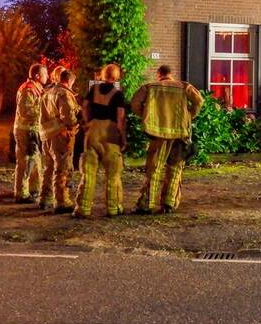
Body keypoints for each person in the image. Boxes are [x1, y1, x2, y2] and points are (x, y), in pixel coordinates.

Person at [131, 64, 204, 214]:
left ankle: (147, 204)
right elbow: (199, 101)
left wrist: (145, 116)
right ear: (172, 74)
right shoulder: (184, 87)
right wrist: (189, 116)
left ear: (159, 74)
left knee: (155, 168)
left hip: (157, 134)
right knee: (175, 168)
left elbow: (135, 103)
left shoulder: (149, 87)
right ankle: (169, 203)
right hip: (179, 135)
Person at [74, 64, 127, 218]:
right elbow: (120, 117)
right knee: (113, 174)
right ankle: (113, 207)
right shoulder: (117, 94)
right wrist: (122, 137)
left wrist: (87, 122)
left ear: (103, 75)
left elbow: (84, 106)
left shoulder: (94, 90)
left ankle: (83, 208)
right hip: (110, 134)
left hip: (92, 132)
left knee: (88, 173)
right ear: (116, 77)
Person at [39, 68, 80, 213]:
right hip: (61, 135)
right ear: (69, 81)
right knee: (62, 167)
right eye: (72, 83)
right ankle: (62, 201)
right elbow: (68, 116)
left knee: (49, 167)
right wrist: (74, 126)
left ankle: (45, 198)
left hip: (47, 135)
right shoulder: (64, 94)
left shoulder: (47, 92)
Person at [13, 63, 48, 203]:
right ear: (37, 76)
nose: (48, 76)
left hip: (31, 129)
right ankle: (21, 194)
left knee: (34, 161)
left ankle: (34, 189)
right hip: (26, 130)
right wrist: (44, 113)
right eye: (45, 74)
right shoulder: (28, 89)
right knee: (26, 162)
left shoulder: (36, 88)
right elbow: (25, 110)